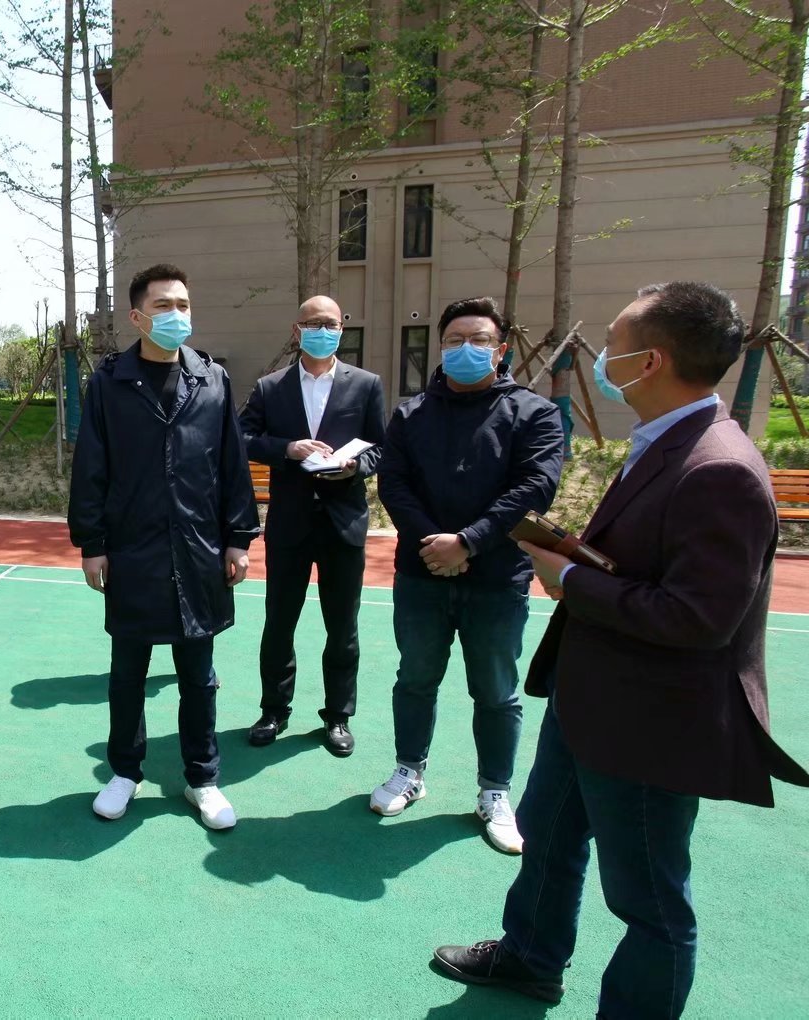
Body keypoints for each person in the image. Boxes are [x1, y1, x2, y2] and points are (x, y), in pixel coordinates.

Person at [432, 282, 809, 1015]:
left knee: (649, 900)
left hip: (649, 721)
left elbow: (699, 619)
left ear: (652, 361)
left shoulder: (719, 466)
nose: (602, 357)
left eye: (614, 343)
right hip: (591, 695)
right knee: (549, 837)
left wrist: (571, 579)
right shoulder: (667, 439)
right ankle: (530, 956)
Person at [70, 263, 261, 830]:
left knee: (198, 674)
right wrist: (92, 543)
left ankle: (202, 778)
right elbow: (91, 468)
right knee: (127, 672)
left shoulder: (212, 379)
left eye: (183, 304)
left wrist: (238, 538)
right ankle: (124, 773)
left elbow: (232, 464)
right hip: (133, 548)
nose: (176, 315)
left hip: (199, 548)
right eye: (163, 306)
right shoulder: (110, 383)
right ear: (137, 317)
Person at [372, 296, 564, 855]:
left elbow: (535, 487)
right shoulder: (411, 414)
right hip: (422, 574)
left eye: (479, 340)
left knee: (497, 692)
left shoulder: (534, 413)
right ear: (441, 347)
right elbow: (394, 485)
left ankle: (494, 791)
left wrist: (469, 541)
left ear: (500, 350)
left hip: (497, 579)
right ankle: (409, 770)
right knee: (415, 678)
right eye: (454, 340)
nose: (466, 349)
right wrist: (436, 544)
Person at [239, 295, 386, 757]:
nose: (323, 330)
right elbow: (243, 437)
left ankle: (338, 715)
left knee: (342, 626)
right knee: (279, 622)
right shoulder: (270, 387)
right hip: (290, 523)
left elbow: (381, 448)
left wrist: (355, 467)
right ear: (296, 330)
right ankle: (273, 710)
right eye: (313, 323)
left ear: (342, 328)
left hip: (344, 522)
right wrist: (287, 448)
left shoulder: (366, 384)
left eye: (331, 323)